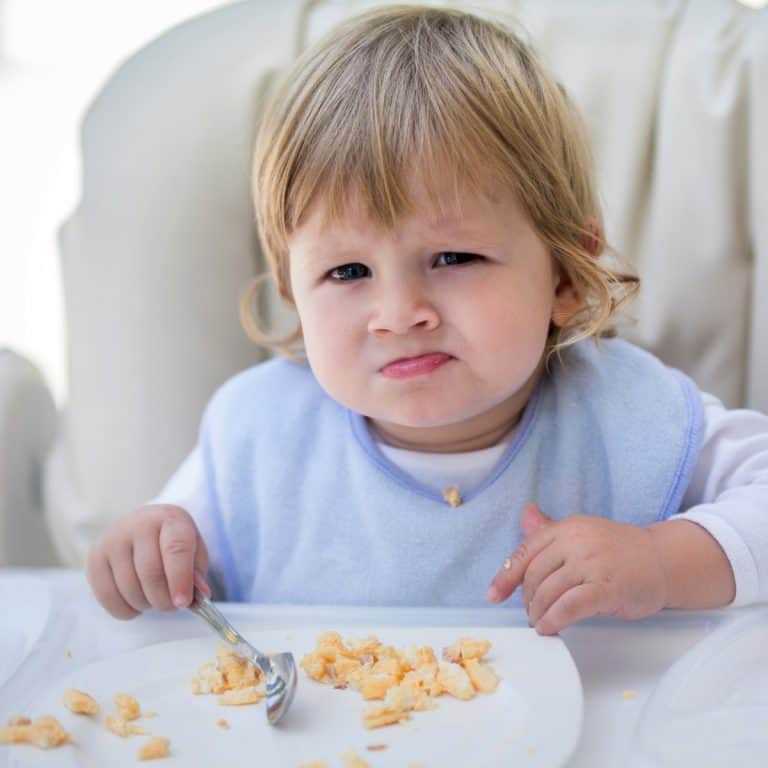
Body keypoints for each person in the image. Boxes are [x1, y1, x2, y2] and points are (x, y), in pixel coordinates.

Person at [86, 5, 768, 635]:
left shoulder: (628, 417)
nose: (399, 314)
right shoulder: (259, 442)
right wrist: (145, 555)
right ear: (295, 292)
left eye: (452, 256)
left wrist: (660, 559)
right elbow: (161, 569)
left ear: (562, 275)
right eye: (347, 273)